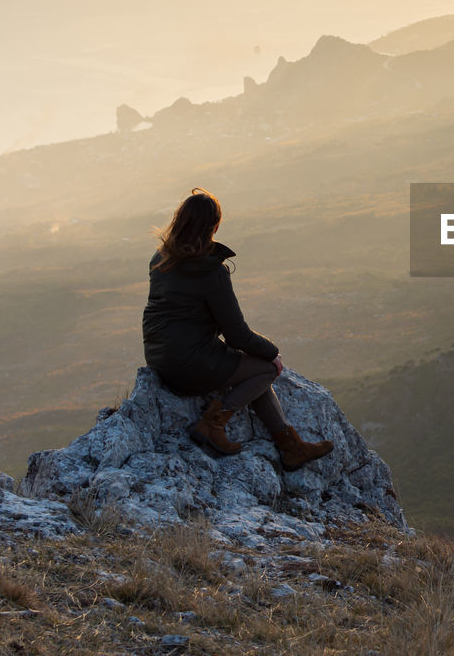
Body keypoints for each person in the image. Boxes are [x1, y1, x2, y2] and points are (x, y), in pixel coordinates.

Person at [142, 188, 333, 470]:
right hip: (191, 365)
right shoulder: (211, 272)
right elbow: (237, 335)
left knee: (252, 369)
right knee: (266, 369)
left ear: (178, 221)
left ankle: (290, 446)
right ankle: (213, 424)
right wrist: (273, 353)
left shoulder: (160, 259)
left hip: (159, 360)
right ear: (215, 227)